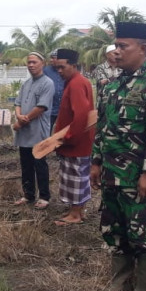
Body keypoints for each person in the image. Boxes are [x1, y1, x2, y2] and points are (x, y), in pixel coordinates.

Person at [90, 22, 146, 291]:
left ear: (143, 49)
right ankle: (120, 281)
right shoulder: (111, 86)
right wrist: (96, 162)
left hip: (137, 176)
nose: (117, 51)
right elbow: (102, 128)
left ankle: (144, 289)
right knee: (114, 229)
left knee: (141, 231)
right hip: (111, 173)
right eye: (116, 46)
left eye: (124, 46)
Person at [52, 48, 95, 225]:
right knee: (79, 177)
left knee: (75, 178)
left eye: (62, 67)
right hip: (78, 141)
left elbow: (81, 115)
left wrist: (67, 138)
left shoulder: (77, 83)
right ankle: (79, 211)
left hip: (76, 143)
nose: (59, 71)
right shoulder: (76, 81)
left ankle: (75, 214)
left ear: (74, 65)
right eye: (57, 68)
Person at [13, 52, 54, 209]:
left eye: (34, 62)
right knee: (26, 164)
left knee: (40, 164)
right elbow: (17, 103)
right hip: (25, 133)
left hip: (39, 132)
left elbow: (41, 107)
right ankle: (28, 195)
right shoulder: (26, 84)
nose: (31, 65)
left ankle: (44, 196)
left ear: (42, 63)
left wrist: (23, 121)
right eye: (29, 62)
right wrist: (18, 116)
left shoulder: (47, 83)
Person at [43, 49, 64, 131]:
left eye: (53, 58)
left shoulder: (65, 70)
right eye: (50, 58)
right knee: (47, 130)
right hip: (50, 108)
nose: (51, 60)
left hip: (63, 108)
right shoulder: (46, 71)